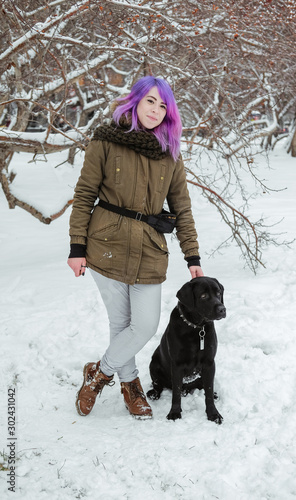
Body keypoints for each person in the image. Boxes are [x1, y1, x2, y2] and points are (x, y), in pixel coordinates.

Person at [67, 75, 204, 420]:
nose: (156, 110)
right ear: (135, 101)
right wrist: (76, 246)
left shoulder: (170, 154)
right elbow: (85, 195)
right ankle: (131, 386)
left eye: (163, 105)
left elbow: (182, 208)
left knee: (143, 324)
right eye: (150, 101)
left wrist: (193, 256)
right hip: (106, 243)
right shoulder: (106, 141)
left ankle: (99, 374)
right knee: (120, 324)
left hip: (150, 249)